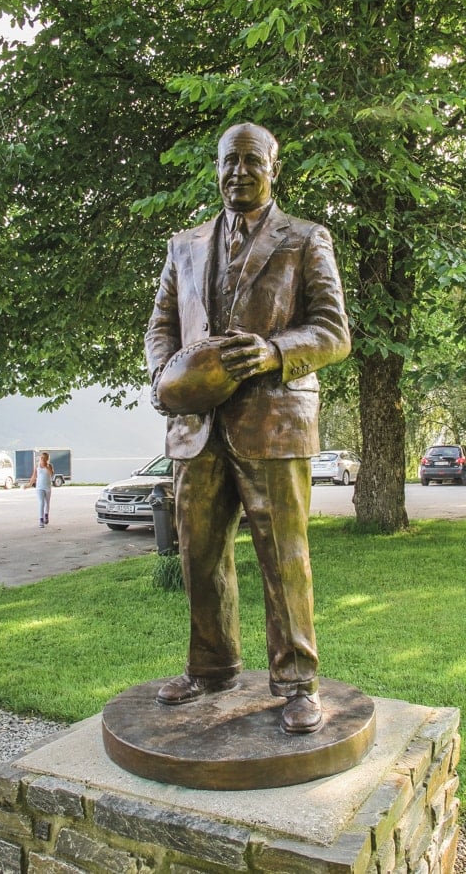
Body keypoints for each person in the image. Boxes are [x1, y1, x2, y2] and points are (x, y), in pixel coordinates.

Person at [145, 122, 351, 734]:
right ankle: (211, 667)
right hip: (194, 428)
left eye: (251, 161)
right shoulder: (184, 246)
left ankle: (295, 682)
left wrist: (273, 353)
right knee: (200, 557)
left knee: (284, 559)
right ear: (217, 168)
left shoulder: (306, 238)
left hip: (275, 424)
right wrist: (165, 378)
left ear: (274, 168)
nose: (239, 172)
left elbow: (333, 332)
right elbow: (161, 326)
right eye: (228, 162)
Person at [27, 452, 54, 528]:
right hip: (39, 487)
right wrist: (29, 484)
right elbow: (34, 476)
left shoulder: (49, 466)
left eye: (44, 458)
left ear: (47, 459)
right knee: (41, 502)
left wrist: (46, 467)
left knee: (47, 502)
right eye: (41, 457)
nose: (42, 459)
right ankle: (41, 520)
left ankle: (46, 515)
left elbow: (51, 474)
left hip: (47, 487)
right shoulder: (37, 466)